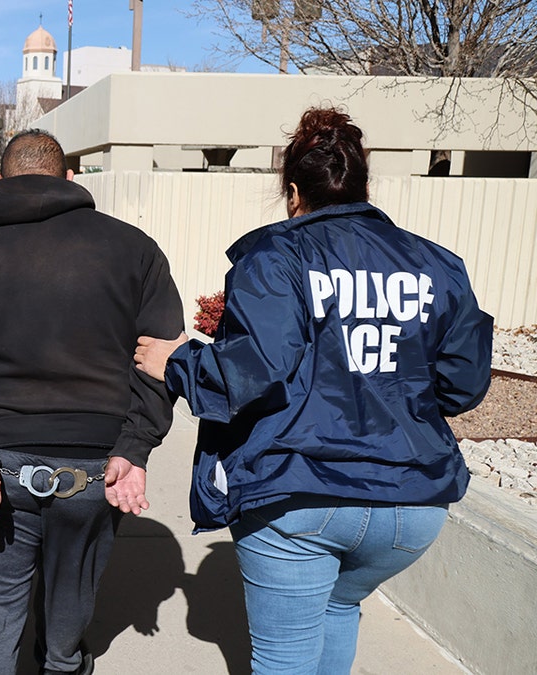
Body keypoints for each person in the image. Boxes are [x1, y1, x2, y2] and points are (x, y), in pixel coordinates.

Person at [134, 107, 493, 674]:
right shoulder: (438, 265)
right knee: (339, 611)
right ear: (363, 186)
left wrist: (177, 360)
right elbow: (463, 384)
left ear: (294, 192)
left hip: (299, 494)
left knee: (285, 660)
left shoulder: (277, 256)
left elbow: (250, 375)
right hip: (413, 502)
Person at [0, 129, 184, 674]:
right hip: (96, 473)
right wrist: (134, 449)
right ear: (69, 180)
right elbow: (162, 357)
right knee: (65, 642)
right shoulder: (133, 248)